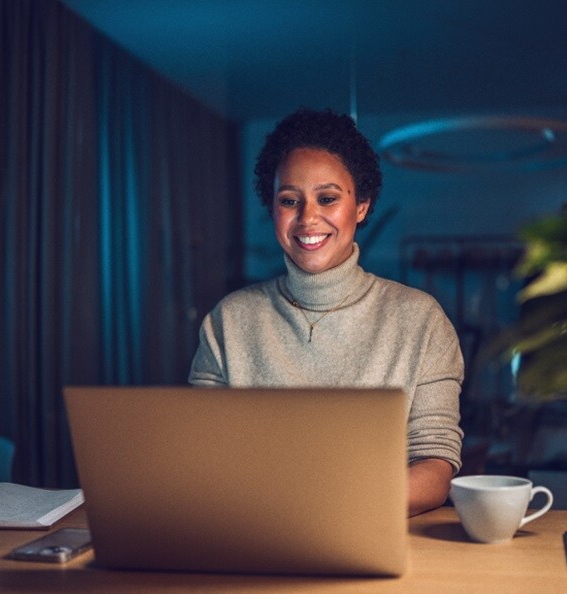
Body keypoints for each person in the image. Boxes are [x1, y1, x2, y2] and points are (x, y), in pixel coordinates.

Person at [188, 107, 464, 516]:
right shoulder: (228, 323)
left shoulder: (421, 321)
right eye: (289, 200)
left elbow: (435, 466)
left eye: (328, 198)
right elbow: (198, 456)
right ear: (273, 207)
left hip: (373, 539)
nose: (308, 218)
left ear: (362, 206)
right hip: (254, 539)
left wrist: (332, 507)